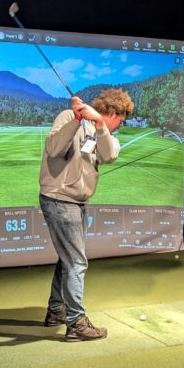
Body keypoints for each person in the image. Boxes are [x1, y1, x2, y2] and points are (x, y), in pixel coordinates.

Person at [38, 88, 133, 341]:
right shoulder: (69, 117)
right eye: (119, 120)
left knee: (68, 259)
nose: (119, 126)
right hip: (59, 199)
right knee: (76, 262)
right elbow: (54, 148)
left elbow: (108, 154)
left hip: (77, 202)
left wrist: (100, 124)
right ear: (113, 111)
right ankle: (76, 323)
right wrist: (79, 119)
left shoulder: (105, 133)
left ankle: (56, 311)